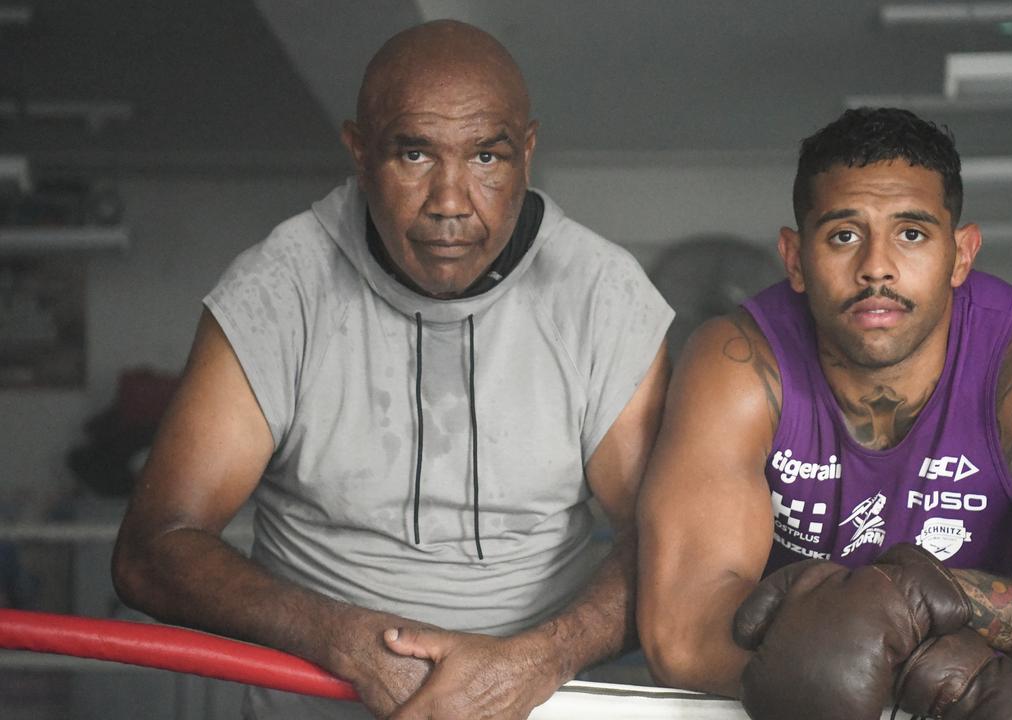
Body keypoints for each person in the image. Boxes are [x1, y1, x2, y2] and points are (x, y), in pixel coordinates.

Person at [112, 20, 672, 720]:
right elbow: (152, 547)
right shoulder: (278, 292)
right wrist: (342, 643)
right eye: (413, 154)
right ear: (359, 151)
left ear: (527, 152)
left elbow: (671, 544)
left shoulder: (603, 297)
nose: (448, 201)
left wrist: (536, 660)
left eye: (487, 158)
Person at [636, 107, 1012, 714]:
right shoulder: (739, 363)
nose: (876, 267)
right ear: (794, 258)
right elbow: (680, 632)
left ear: (962, 255)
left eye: (911, 233)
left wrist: (945, 599)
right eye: (843, 234)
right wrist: (943, 672)